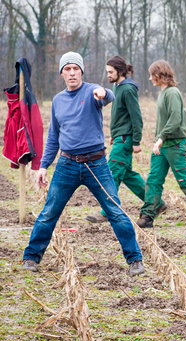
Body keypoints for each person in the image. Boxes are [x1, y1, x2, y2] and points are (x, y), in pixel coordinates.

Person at [22, 51, 145, 276]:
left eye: (75, 69)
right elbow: (53, 137)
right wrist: (43, 166)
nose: (71, 73)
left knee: (115, 212)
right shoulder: (58, 100)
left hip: (96, 165)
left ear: (81, 71)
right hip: (67, 165)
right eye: (67, 69)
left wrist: (103, 92)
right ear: (61, 73)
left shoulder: (92, 92)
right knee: (49, 212)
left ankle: (135, 260)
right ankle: (31, 257)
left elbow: (109, 96)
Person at [137, 60, 186, 228]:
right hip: (162, 145)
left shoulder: (172, 93)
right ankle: (147, 216)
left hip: (174, 145)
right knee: (153, 180)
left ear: (160, 74)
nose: (150, 79)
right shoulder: (163, 93)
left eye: (152, 75)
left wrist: (161, 138)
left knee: (185, 181)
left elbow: (175, 119)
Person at [86, 56, 146, 223]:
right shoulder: (117, 87)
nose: (108, 75)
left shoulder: (127, 89)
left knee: (112, 173)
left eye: (110, 72)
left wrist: (136, 141)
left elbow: (136, 116)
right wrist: (114, 133)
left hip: (126, 140)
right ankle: (154, 202)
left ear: (120, 71)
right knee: (128, 175)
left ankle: (106, 212)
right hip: (120, 136)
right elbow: (120, 114)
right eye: (107, 72)